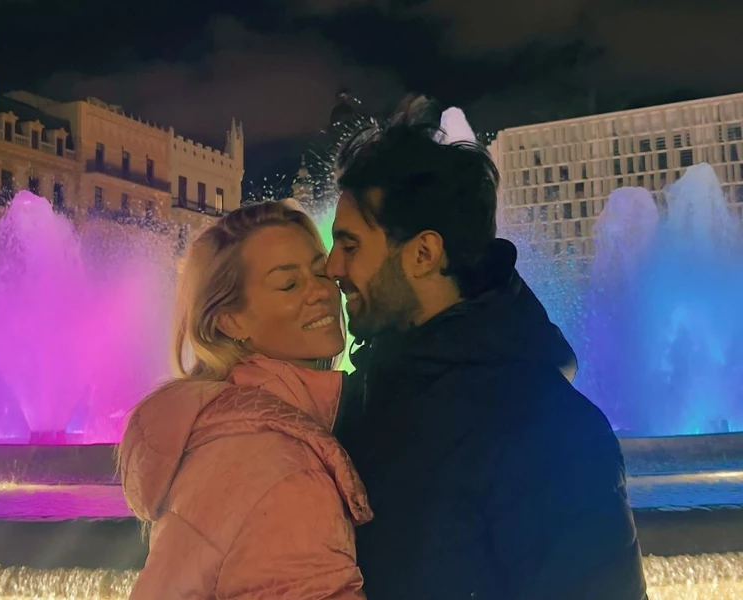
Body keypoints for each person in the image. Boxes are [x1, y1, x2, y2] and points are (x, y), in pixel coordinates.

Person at [326, 98, 648, 600]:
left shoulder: (549, 435)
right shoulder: (364, 396)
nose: (331, 267)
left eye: (349, 246)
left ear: (423, 253)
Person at [119, 200, 372, 600]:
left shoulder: (231, 430)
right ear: (230, 321)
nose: (321, 292)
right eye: (289, 284)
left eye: (320, 271)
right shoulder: (286, 470)